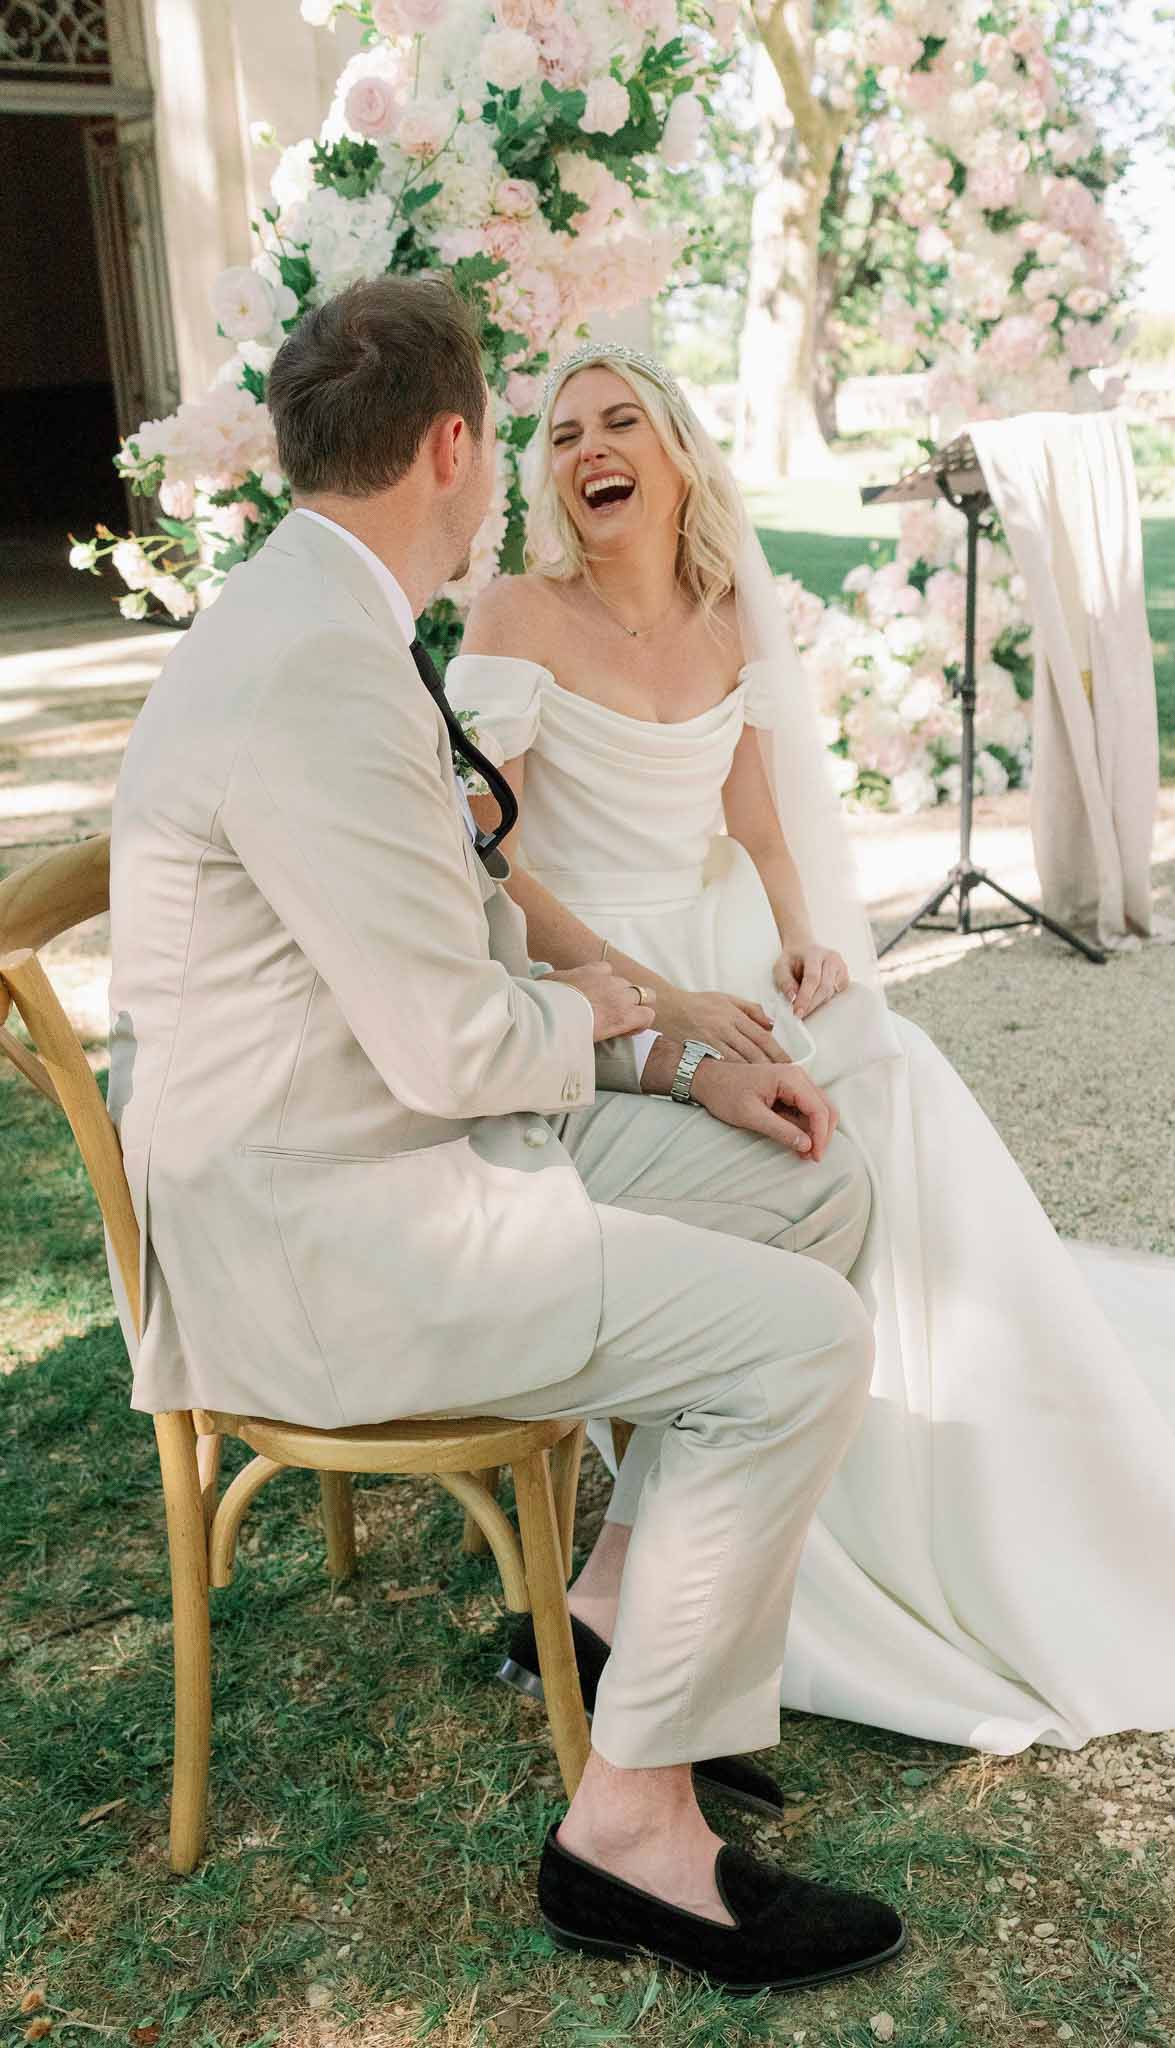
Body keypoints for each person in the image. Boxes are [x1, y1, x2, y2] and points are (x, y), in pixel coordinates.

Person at [105, 280, 907, 1992]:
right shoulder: (314, 666)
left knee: (816, 1175)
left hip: (406, 1136)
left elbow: (449, 978)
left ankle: (614, 1621)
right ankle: (630, 1831)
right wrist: (638, 1019)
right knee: (802, 1347)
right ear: (461, 448)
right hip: (333, 1230)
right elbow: (458, 1033)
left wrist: (688, 1071)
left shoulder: (327, 617)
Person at [455, 342, 1175, 1758]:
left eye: (619, 421)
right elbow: (494, 859)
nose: (588, 451)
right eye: (563, 433)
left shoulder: (720, 614)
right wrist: (649, 995)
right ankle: (695, 1538)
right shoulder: (516, 614)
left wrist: (809, 942)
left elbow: (755, 828)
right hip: (603, 983)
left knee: (894, 1084)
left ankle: (975, 1475)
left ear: (677, 453)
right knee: (821, 1144)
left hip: (726, 950)